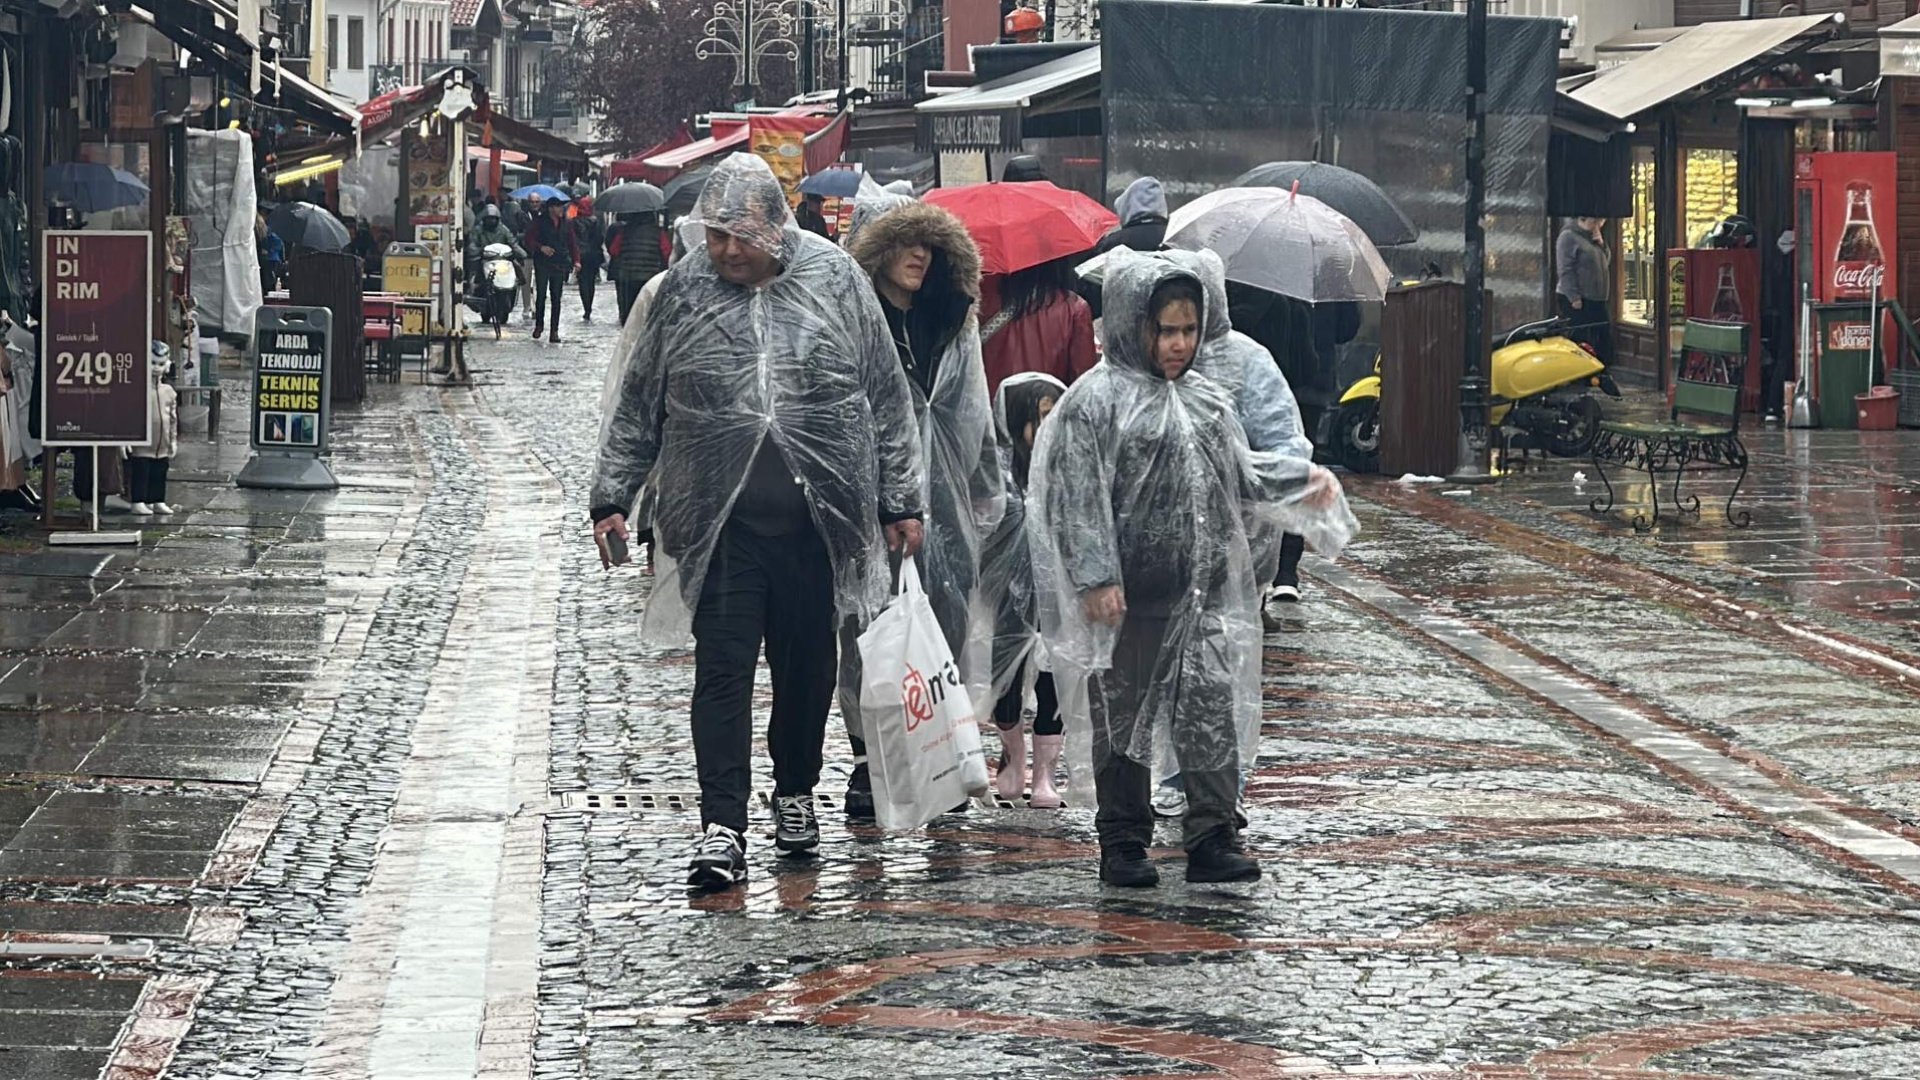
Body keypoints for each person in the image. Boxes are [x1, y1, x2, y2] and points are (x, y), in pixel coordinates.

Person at [590, 153, 925, 892]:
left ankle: (797, 793)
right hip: (720, 526)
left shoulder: (836, 281)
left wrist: (901, 500)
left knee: (807, 671)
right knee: (723, 671)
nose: (727, 251)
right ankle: (723, 824)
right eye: (715, 236)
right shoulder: (682, 292)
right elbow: (640, 399)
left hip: (817, 523)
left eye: (740, 235)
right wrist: (612, 493)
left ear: (778, 224)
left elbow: (886, 396)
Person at [1028, 247, 1351, 887]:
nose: (1178, 344)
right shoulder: (1095, 404)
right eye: (1165, 330)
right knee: (1125, 723)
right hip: (1128, 601)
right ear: (1132, 325)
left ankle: (1212, 834)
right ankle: (1123, 840)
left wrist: (1298, 482)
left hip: (1200, 596)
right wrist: (1096, 577)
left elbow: (1240, 471)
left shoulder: (1205, 400)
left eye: (1187, 330)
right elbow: (1076, 496)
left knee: (1210, 714)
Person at [842, 200, 1004, 819]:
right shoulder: (858, 323)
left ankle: (942, 751)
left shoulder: (951, 321)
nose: (919, 255)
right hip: (870, 501)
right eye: (905, 243)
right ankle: (868, 760)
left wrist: (988, 488)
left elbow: (975, 407)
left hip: (948, 500)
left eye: (929, 246)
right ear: (876, 252)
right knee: (868, 632)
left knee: (945, 626)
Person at [1227, 286, 1357, 619]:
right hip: (1303, 395)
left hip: (1240, 397)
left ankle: (1245, 580)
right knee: (1290, 478)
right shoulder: (1320, 276)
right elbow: (1344, 331)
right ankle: (1285, 572)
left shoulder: (1232, 288)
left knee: (1241, 486)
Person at [981, 371, 1067, 806]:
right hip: (1007, 599)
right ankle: (1013, 758)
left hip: (1056, 598)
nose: (1046, 430)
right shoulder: (995, 473)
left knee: (1054, 680)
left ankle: (1047, 772)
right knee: (1007, 680)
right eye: (1038, 419)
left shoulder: (1067, 471)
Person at [979, 256, 1098, 397]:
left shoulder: (978, 296)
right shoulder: (1074, 310)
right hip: (1044, 414)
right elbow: (1082, 388)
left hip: (986, 410)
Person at [1084, 176, 1170, 317]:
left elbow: (1092, 295)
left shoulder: (1111, 246)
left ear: (1127, 207)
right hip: (1168, 328)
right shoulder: (1175, 241)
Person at [1555, 216, 1613, 365]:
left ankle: (1599, 369)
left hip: (1597, 297)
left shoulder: (1594, 237)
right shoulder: (1569, 236)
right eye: (1596, 222)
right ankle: (1579, 371)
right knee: (1581, 337)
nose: (1598, 226)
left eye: (1600, 223)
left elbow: (1605, 261)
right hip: (1578, 298)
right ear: (1586, 220)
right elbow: (1565, 269)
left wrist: (1601, 244)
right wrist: (1574, 297)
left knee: (1602, 334)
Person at [525, 196, 578, 342]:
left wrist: (576, 261)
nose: (561, 209)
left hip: (559, 263)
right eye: (558, 207)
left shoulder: (566, 223)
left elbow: (572, 243)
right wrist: (541, 247)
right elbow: (528, 239)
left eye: (562, 207)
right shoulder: (540, 222)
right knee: (541, 295)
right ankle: (539, 324)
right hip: (543, 263)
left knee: (556, 298)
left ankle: (554, 331)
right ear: (550, 208)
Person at [608, 211, 667, 325]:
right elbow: (666, 252)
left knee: (629, 305)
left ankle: (628, 326)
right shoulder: (658, 232)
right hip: (650, 276)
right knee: (647, 304)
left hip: (628, 275)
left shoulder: (624, 231)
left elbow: (614, 251)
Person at [574, 196, 607, 322]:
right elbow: (600, 238)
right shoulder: (596, 220)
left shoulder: (575, 220)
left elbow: (573, 239)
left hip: (580, 255)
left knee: (582, 281)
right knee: (591, 281)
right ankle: (589, 307)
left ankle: (586, 306)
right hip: (593, 255)